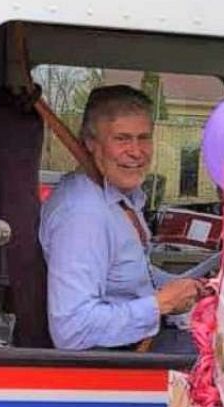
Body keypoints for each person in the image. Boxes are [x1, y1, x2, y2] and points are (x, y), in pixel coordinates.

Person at [39, 85, 201, 351]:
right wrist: (162, 304)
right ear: (91, 143)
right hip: (118, 359)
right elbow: (71, 329)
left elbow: (132, 276)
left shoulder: (117, 195)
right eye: (122, 139)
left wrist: (190, 288)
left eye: (143, 138)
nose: (136, 152)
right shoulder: (83, 215)